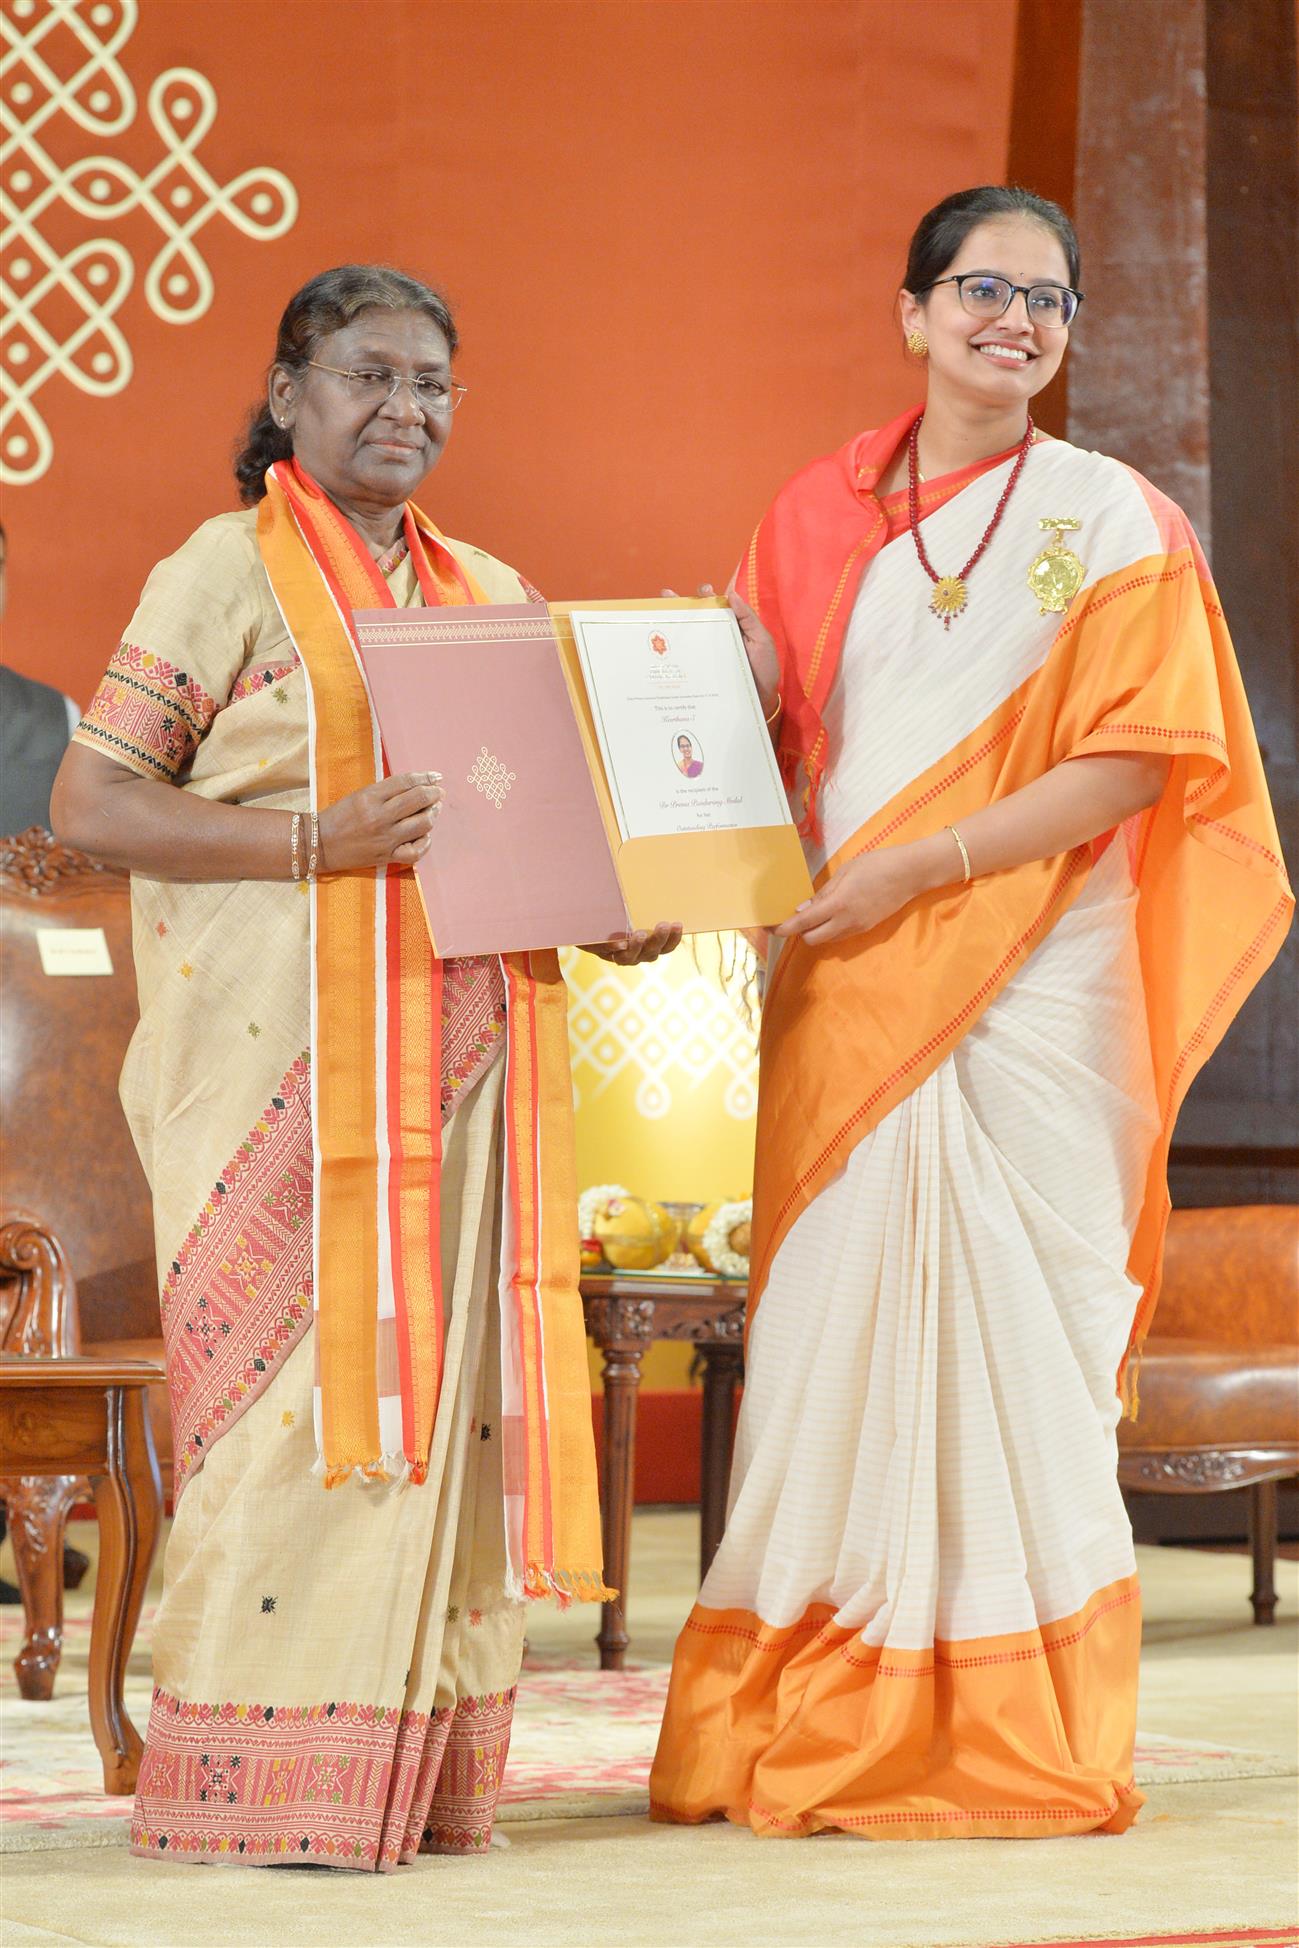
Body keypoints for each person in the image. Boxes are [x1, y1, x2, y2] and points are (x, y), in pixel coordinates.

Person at [650, 187, 1292, 1841]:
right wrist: (655, 857)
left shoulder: (1119, 519)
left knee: (1022, 1330)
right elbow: (728, 732)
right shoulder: (810, 513)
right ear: (914, 311)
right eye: (984, 289)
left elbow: (1145, 762)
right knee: (832, 1344)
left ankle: (1012, 1726)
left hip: (1035, 980)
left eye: (1049, 301)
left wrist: (915, 869)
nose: (1017, 320)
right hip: (849, 981)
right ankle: (805, 1702)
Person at [53, 264, 679, 1871]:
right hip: (270, 1081)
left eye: (433, 386)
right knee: (284, 1408)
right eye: (369, 377)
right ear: (287, 395)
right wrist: (313, 843)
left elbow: (527, 821)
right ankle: (252, 1788)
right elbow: (92, 805)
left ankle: (412, 1780)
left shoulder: (485, 586)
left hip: (459, 1077)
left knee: (438, 1414)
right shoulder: (220, 573)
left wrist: (612, 920)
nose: (406, 410)